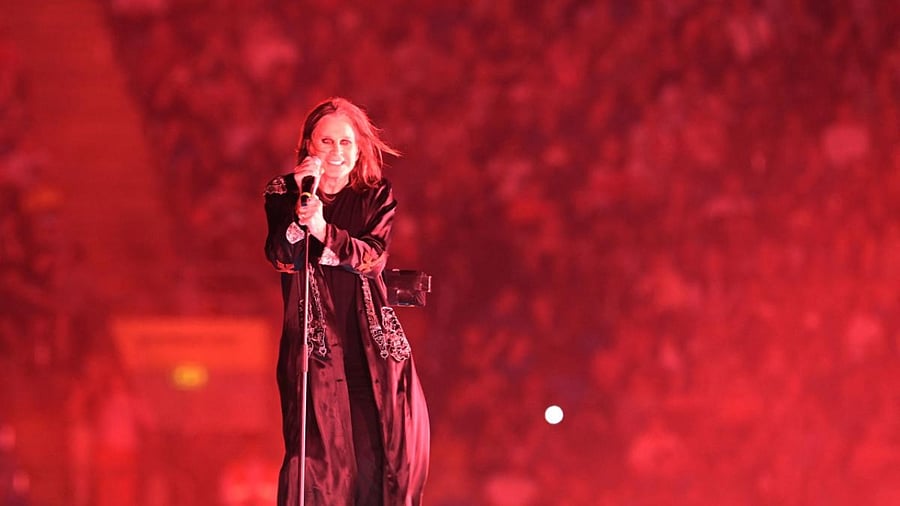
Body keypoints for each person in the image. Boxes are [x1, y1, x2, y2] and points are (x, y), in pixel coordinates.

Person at [263, 97, 430, 505]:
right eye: (327, 141)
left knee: (378, 460)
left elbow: (371, 257)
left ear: (359, 150)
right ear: (308, 146)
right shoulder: (284, 191)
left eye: (346, 143)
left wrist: (323, 228)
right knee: (320, 466)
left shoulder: (375, 194)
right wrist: (305, 210)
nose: (336, 152)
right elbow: (281, 257)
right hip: (316, 353)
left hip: (369, 349)